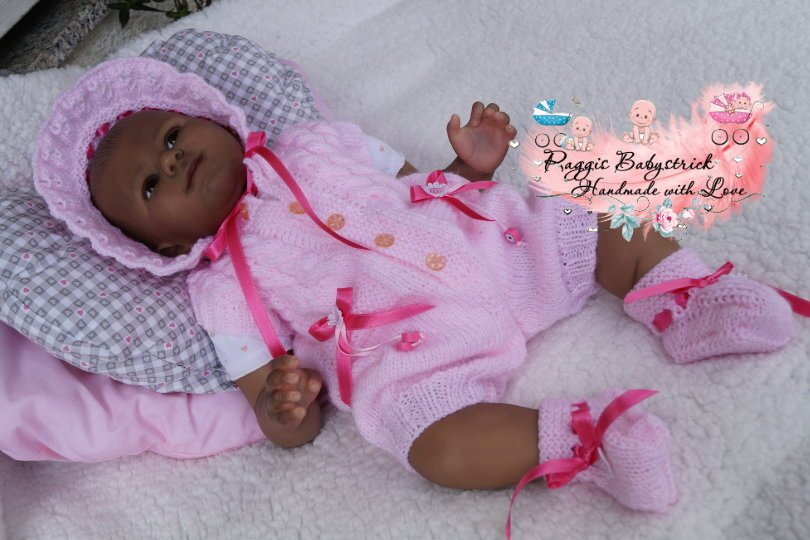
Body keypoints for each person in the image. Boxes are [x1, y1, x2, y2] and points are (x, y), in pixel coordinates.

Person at [33, 37, 803, 535]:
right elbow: (277, 410)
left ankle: (686, 298)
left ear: (215, 118)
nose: (171, 161)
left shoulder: (319, 143)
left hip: (490, 249)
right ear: (164, 244)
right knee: (428, 445)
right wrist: (283, 406)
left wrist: (469, 167)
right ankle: (591, 443)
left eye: (173, 136)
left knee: (582, 225)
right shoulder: (219, 288)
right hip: (411, 349)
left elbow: (411, 185)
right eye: (150, 184)